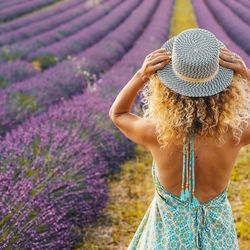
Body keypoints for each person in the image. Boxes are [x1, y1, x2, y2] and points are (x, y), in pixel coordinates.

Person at [109, 28, 249, 249]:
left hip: (168, 239)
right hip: (218, 238)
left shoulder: (157, 134)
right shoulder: (234, 134)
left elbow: (117, 114)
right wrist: (245, 73)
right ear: (224, 88)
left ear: (168, 89)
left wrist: (141, 75)